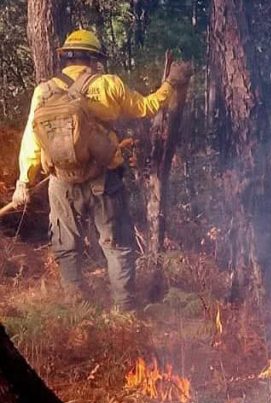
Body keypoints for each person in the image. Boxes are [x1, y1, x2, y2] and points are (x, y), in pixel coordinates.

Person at [12, 29, 192, 311]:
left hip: (60, 183)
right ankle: (125, 312)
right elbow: (147, 107)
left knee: (66, 245)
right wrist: (171, 83)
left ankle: (76, 309)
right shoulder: (109, 84)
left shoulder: (43, 91)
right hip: (103, 181)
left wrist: (24, 181)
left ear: (66, 57)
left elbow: (31, 140)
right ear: (94, 59)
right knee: (117, 245)